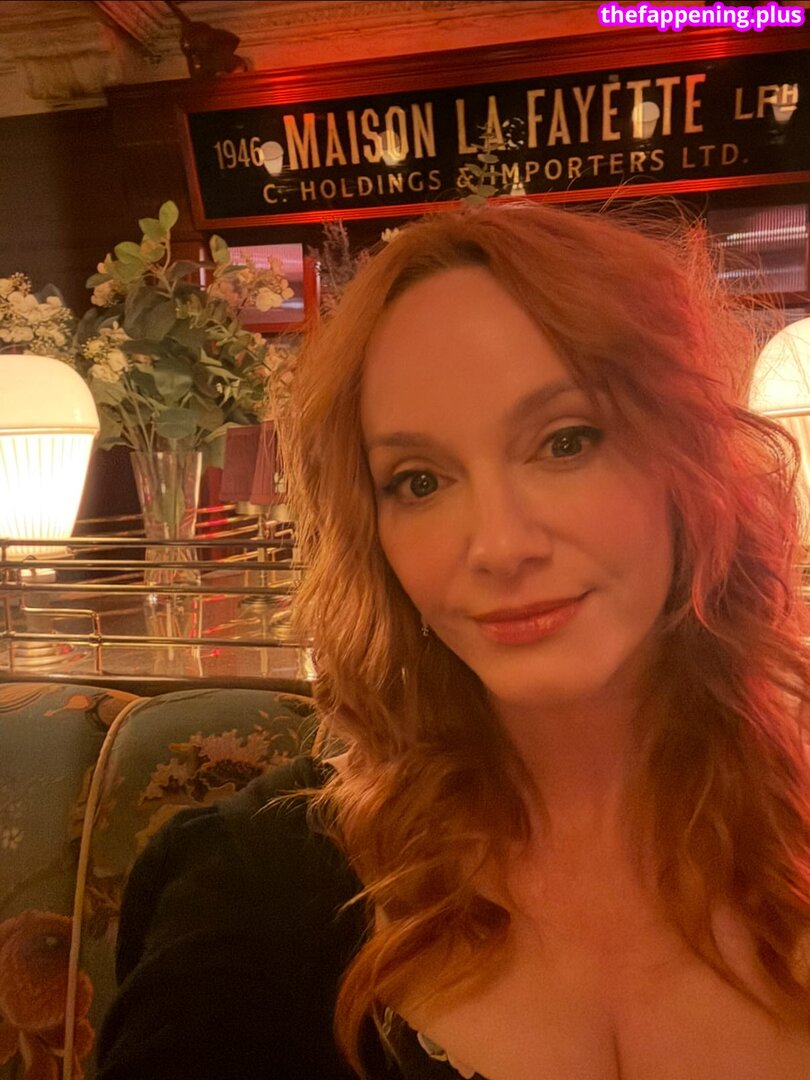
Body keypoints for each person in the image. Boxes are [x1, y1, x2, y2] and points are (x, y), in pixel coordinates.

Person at [96, 203, 810, 1079]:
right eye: (420, 480)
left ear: (689, 459)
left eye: (565, 441)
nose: (500, 546)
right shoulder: (256, 891)